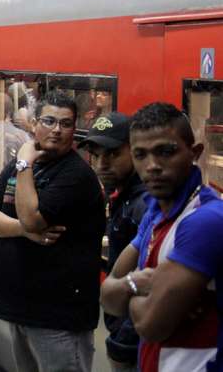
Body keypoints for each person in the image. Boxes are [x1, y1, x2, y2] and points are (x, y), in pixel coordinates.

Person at [0, 90, 105, 372]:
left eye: (66, 124)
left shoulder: (75, 174)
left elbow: (34, 219)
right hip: (20, 308)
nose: (57, 130)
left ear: (75, 130)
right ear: (34, 123)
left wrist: (25, 162)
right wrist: (22, 231)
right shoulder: (17, 166)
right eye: (49, 121)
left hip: (57, 315)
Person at [100, 103, 219, 372]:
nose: (152, 166)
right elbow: (107, 296)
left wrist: (130, 289)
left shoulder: (204, 220)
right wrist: (143, 287)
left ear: (195, 153)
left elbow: (151, 325)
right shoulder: (155, 215)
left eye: (166, 152)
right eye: (140, 155)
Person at [79, 112, 147, 371]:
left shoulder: (142, 204)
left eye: (113, 154)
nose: (101, 164)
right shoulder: (125, 196)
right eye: (95, 155)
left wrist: (122, 344)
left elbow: (147, 284)